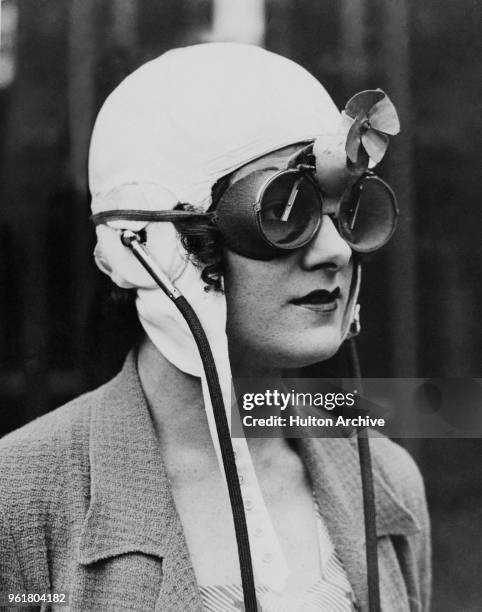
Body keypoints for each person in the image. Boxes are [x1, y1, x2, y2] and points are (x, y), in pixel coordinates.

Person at [0, 44, 430, 612]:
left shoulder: (387, 480)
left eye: (347, 208)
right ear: (145, 245)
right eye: (281, 212)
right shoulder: (22, 496)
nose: (335, 250)